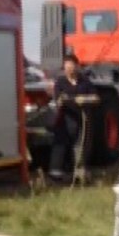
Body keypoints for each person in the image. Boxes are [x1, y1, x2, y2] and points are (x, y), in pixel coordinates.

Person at [49, 53, 100, 181]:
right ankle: (56, 172)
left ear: (77, 66)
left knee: (79, 145)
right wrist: (62, 100)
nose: (69, 69)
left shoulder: (85, 81)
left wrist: (85, 99)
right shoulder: (60, 82)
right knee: (60, 144)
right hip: (65, 120)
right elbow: (58, 99)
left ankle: (79, 172)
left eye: (71, 66)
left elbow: (96, 98)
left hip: (81, 119)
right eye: (66, 67)